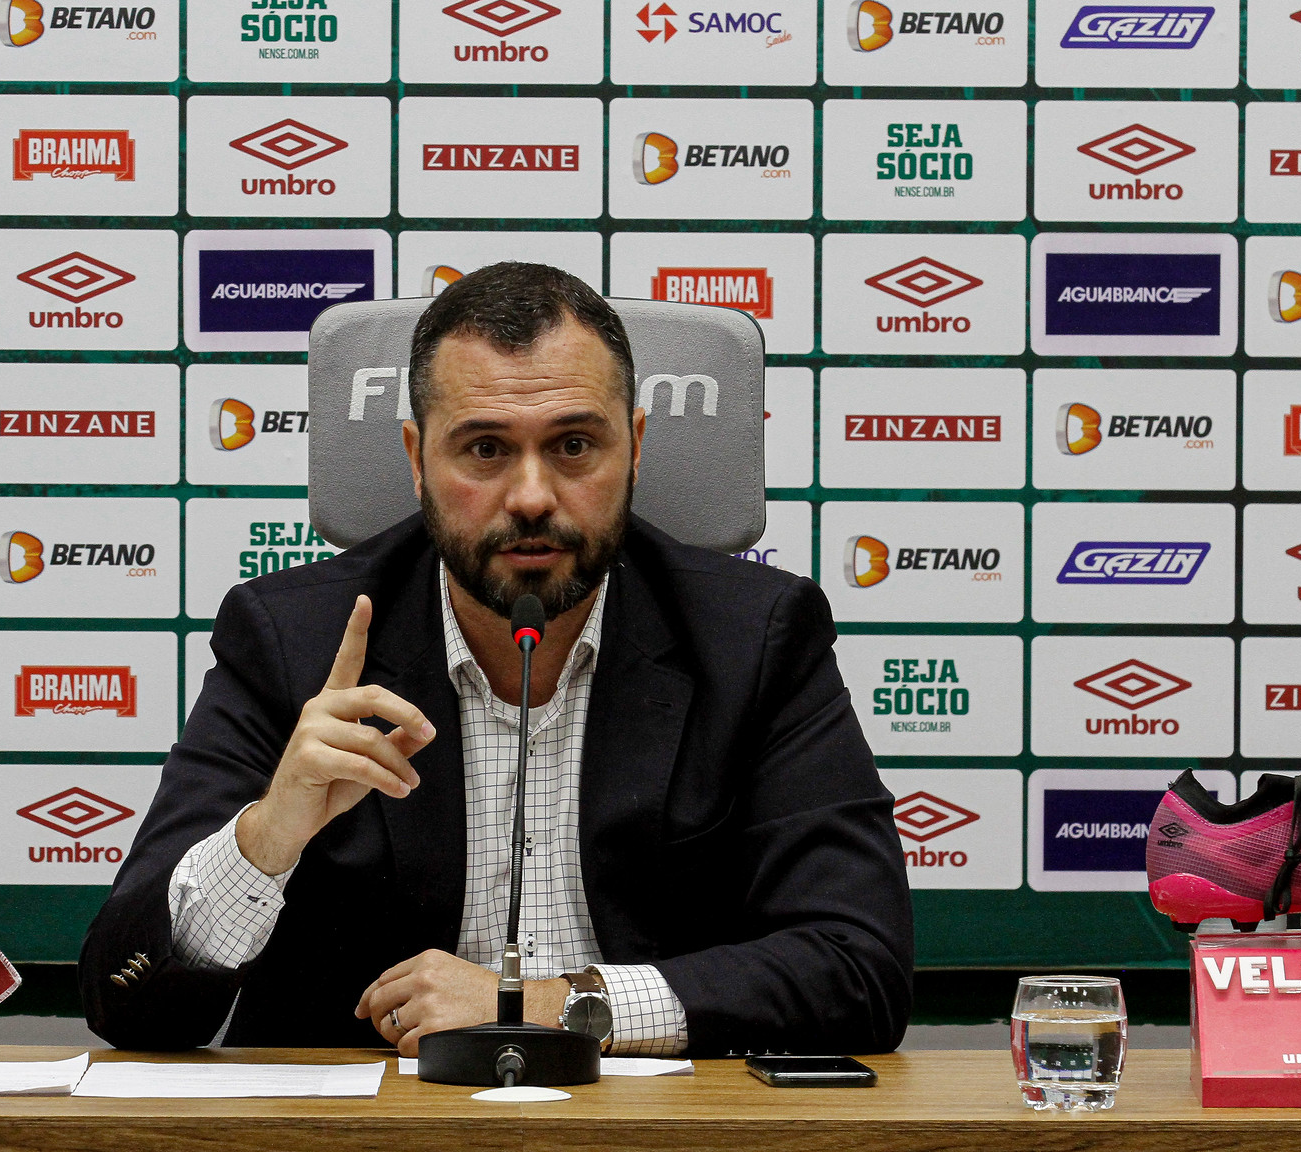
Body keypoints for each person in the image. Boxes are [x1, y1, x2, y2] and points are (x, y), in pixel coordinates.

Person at [81, 262, 914, 1057]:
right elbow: (127, 1003)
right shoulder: (292, 642)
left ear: (634, 446)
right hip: (376, 1134)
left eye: (574, 446)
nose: (531, 496)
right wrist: (266, 838)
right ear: (416, 460)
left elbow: (859, 968)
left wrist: (553, 1007)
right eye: (484, 449)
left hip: (652, 1128)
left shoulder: (756, 638)